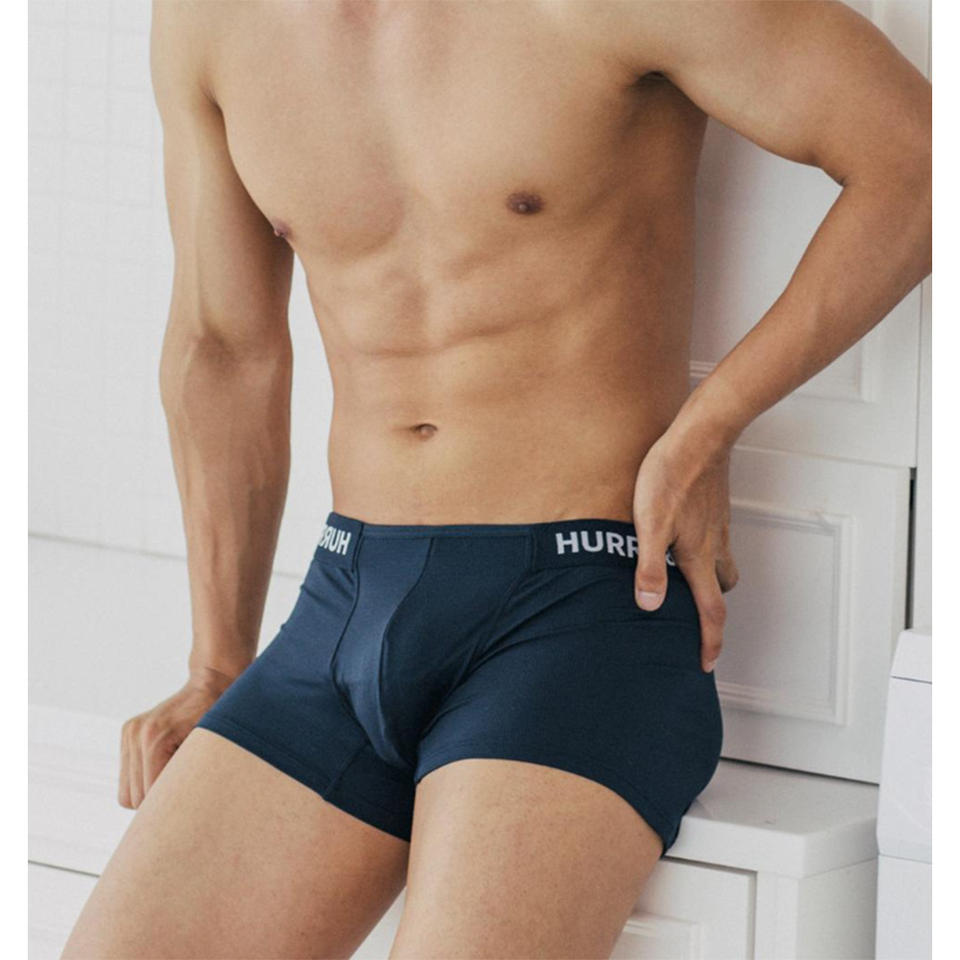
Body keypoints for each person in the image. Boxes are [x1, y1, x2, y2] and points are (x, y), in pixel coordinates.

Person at [62, 1, 931, 957]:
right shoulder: (210, 18)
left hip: (580, 615)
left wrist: (708, 426)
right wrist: (215, 664)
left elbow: (920, 159)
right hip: (345, 606)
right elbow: (224, 346)